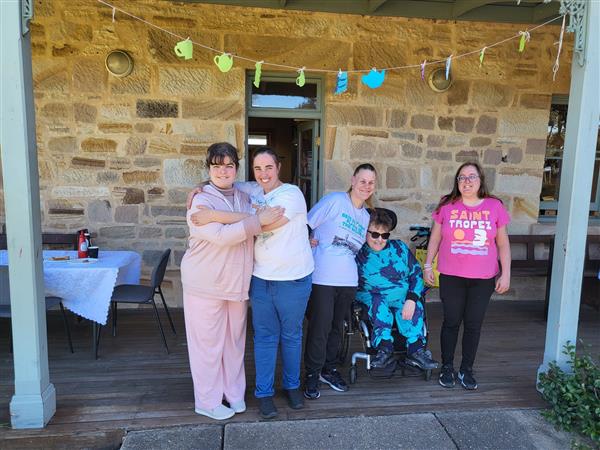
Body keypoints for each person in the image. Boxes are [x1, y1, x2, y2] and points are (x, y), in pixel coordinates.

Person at [187, 147, 314, 419]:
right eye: (258, 168)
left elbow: (266, 225)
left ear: (279, 167)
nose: (264, 173)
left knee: (290, 336)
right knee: (265, 338)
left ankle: (292, 386)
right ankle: (264, 393)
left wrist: (214, 215)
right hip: (258, 278)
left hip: (292, 277)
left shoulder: (291, 194)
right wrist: (200, 187)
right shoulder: (252, 190)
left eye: (269, 167)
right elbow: (224, 182)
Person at [424, 161, 511, 390]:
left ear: (480, 180)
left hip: (483, 278)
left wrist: (506, 273)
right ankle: (447, 367)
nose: (466, 181)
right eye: (461, 177)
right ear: (457, 182)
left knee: (473, 324)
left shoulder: (494, 206)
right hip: (452, 275)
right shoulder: (447, 205)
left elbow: (502, 244)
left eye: (471, 177)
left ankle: (466, 369)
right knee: (451, 321)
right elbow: (434, 238)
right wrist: (426, 265)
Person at [303, 164, 376, 400]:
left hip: (348, 281)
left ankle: (329, 369)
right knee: (319, 328)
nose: (366, 186)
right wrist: (308, 241)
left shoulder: (366, 217)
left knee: (337, 328)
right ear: (353, 180)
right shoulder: (335, 201)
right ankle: (312, 374)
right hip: (323, 277)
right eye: (362, 180)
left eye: (371, 182)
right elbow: (305, 225)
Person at [355, 208, 439, 371]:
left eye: (384, 235)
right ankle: (384, 349)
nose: (379, 240)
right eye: (374, 234)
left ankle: (416, 350)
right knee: (378, 303)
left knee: (411, 305)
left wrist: (412, 298)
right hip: (372, 294)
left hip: (401, 294)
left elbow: (416, 273)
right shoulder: (358, 253)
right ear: (365, 232)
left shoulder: (399, 248)